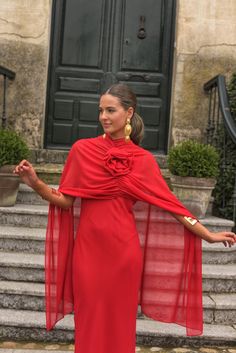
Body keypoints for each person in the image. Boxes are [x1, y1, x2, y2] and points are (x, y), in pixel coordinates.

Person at [14, 84, 235, 353]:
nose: (103, 117)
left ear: (128, 113)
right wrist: (36, 183)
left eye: (111, 110)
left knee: (120, 324)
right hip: (88, 252)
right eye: (100, 111)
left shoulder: (143, 160)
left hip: (123, 254)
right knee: (89, 321)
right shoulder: (82, 150)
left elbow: (174, 207)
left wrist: (207, 234)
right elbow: (65, 200)